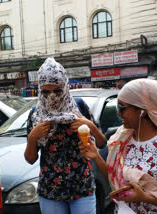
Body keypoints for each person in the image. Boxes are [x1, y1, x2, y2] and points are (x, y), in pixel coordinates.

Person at [80, 79, 157, 213]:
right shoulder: (122, 138)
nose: (118, 113)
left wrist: (145, 197)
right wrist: (96, 156)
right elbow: (114, 178)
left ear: (142, 110)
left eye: (122, 107)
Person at [24, 57, 106, 214]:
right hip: (50, 190)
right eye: (46, 91)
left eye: (57, 90)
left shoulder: (79, 106)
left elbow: (102, 143)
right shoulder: (36, 115)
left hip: (82, 187)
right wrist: (33, 137)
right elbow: (30, 159)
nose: (52, 96)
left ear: (66, 87)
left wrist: (91, 127)